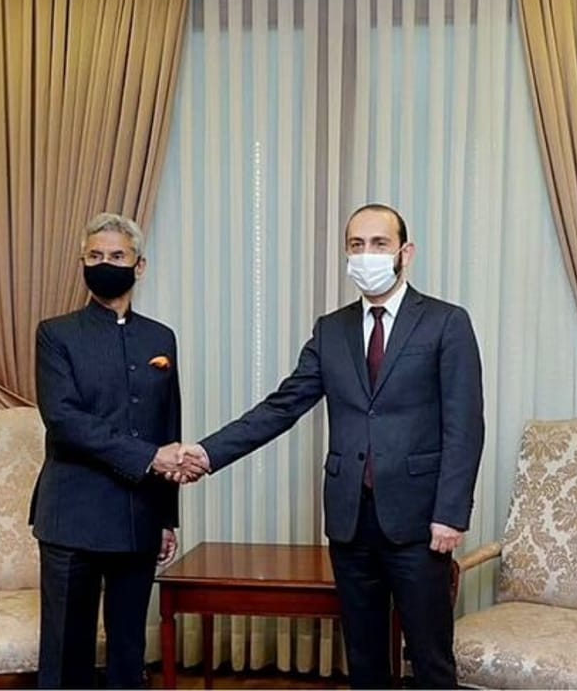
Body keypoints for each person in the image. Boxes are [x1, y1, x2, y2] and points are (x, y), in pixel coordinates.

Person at [181, 203, 485, 689]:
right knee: (363, 659)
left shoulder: (446, 322)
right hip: (350, 520)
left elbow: (464, 425)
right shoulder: (332, 329)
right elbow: (281, 406)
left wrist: (450, 514)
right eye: (356, 245)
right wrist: (208, 452)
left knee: (430, 660)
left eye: (379, 244)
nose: (367, 254)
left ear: (405, 252)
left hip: (420, 521)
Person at [31, 213, 197, 689]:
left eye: (117, 256)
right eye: (96, 255)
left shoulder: (160, 338)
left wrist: (166, 518)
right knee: (67, 657)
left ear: (139, 266)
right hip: (71, 516)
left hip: (137, 516)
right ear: (82, 263)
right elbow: (64, 420)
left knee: (129, 653)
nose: (106, 263)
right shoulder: (55, 334)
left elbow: (168, 426)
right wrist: (148, 458)